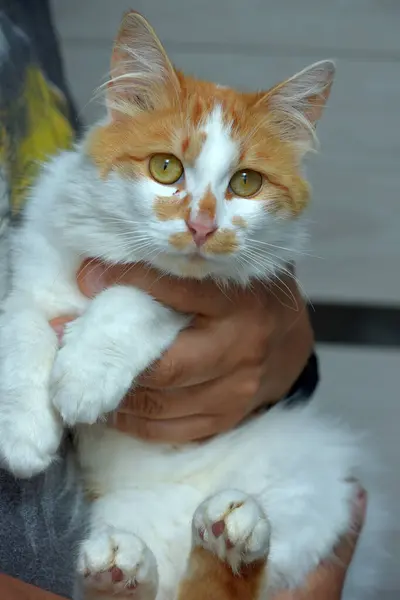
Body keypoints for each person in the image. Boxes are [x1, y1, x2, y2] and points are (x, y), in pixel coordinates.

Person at [0, 1, 363, 598]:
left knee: (318, 469)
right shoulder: (60, 210)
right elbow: (36, 301)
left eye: (244, 182)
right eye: (168, 167)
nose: (200, 219)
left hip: (211, 473)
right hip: (113, 511)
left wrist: (290, 347)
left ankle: (219, 577)